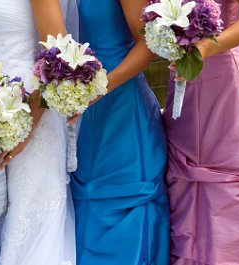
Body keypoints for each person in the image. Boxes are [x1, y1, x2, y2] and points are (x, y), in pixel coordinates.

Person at [0, 0, 77, 264]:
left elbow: (58, 58)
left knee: (30, 214)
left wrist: (26, 127)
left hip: (33, 107)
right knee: (2, 216)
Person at [163, 0, 239, 264]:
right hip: (183, 87)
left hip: (226, 87)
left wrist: (209, 46)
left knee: (230, 187)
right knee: (185, 186)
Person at [70, 0, 170, 264]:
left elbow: (149, 44)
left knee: (128, 212)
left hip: (123, 107)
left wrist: (99, 88)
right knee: (87, 211)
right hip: (80, 115)